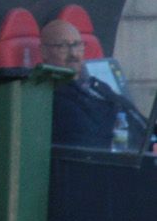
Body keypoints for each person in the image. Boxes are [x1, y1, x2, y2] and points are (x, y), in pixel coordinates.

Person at [40, 18, 151, 150]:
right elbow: (91, 140)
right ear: (44, 52)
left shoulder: (96, 86)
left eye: (77, 45)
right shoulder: (51, 95)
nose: (74, 54)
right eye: (62, 46)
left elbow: (135, 116)